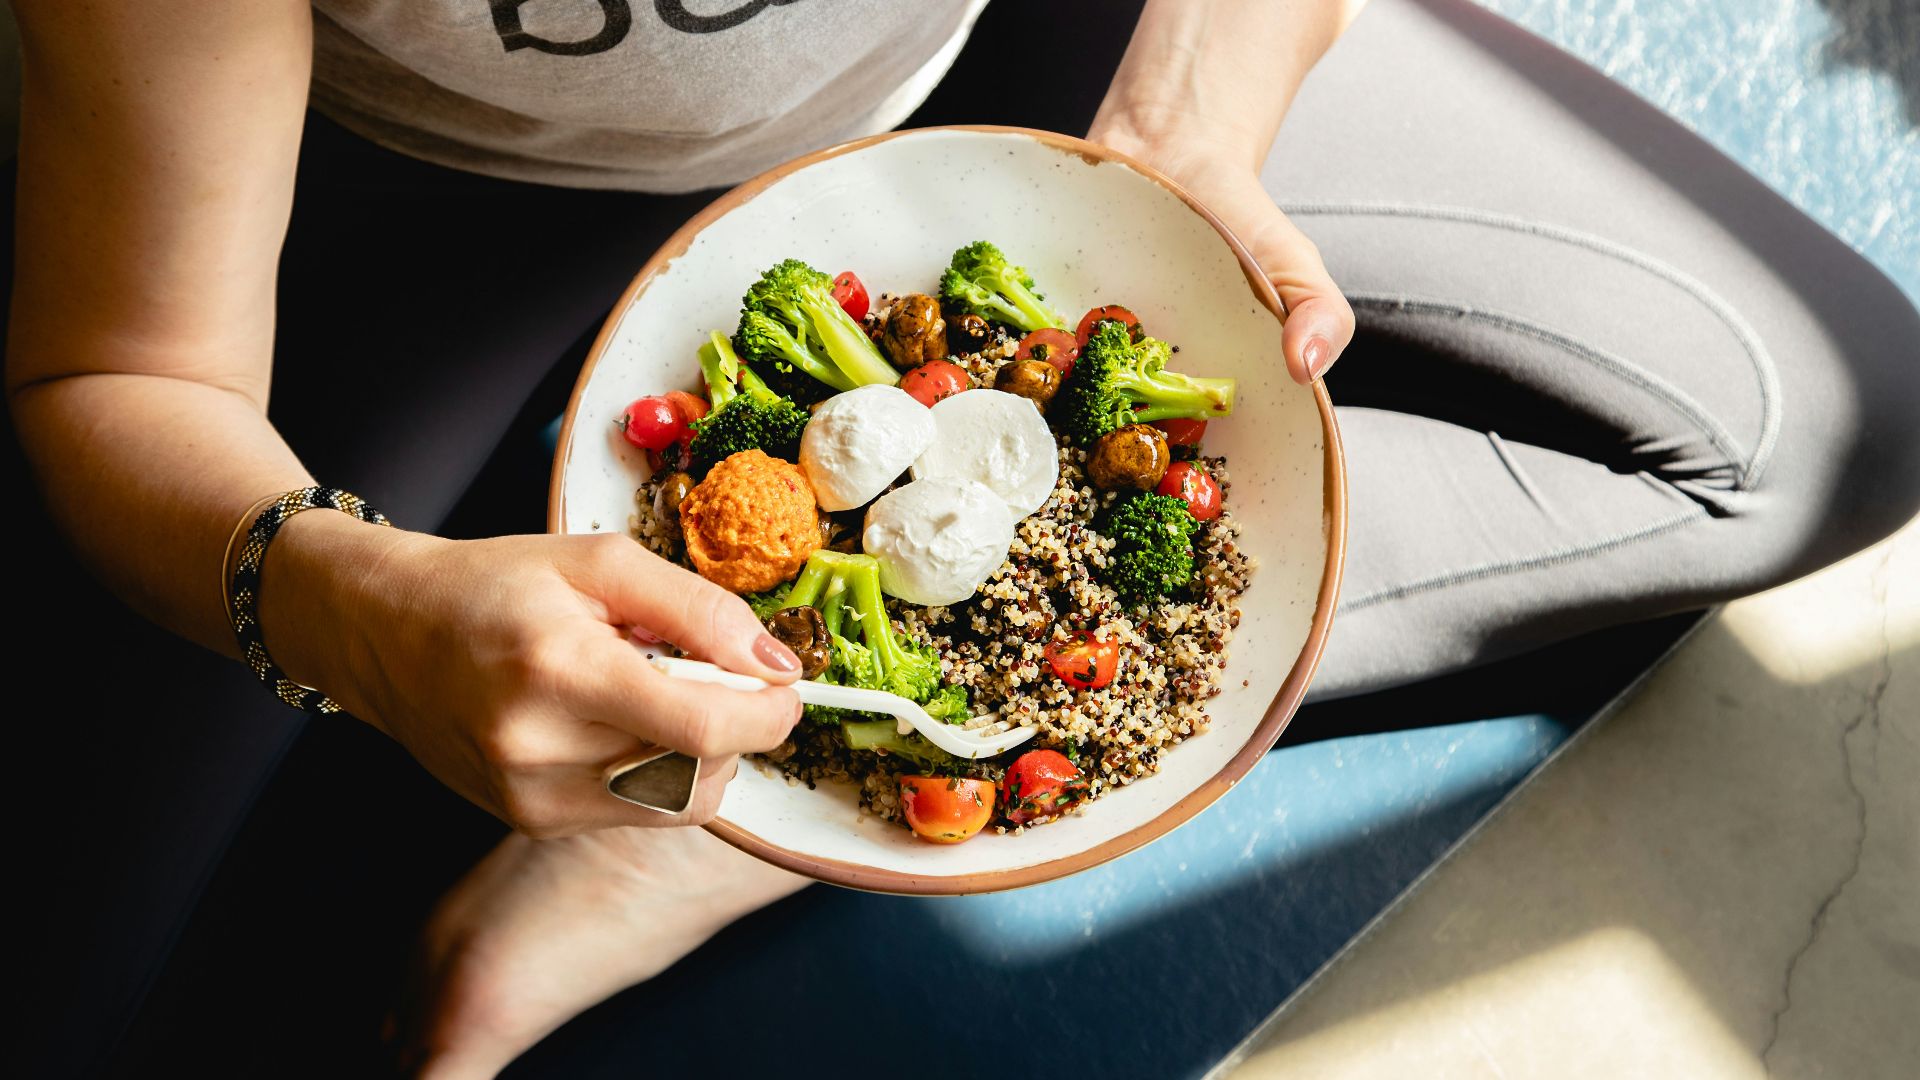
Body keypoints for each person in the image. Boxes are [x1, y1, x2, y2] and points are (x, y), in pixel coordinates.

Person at [6, 0, 1917, 1075]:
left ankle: (723, 839)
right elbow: (120, 371)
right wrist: (363, 611)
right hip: (430, 191)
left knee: (1818, 423)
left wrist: (1196, 117)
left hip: (1017, 50)